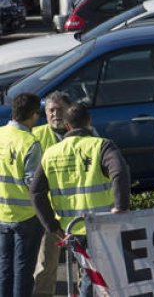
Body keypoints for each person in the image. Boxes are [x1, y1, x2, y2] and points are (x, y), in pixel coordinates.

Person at [30, 104, 129, 297]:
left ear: (67, 125)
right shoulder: (101, 145)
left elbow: (36, 192)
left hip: (71, 229)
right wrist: (121, 206)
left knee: (90, 275)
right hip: (101, 225)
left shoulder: (51, 153)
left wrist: (52, 226)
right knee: (95, 279)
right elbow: (119, 171)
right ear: (89, 121)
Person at [0, 93, 44, 297]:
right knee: (23, 270)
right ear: (34, 115)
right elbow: (32, 184)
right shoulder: (30, 143)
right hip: (26, 215)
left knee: (4, 268)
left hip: (2, 213)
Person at [30, 93, 69, 297]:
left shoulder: (84, 132)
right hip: (50, 213)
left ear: (69, 110)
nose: (55, 114)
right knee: (46, 265)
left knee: (84, 264)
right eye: (51, 110)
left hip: (77, 211)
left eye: (59, 109)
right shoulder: (36, 135)